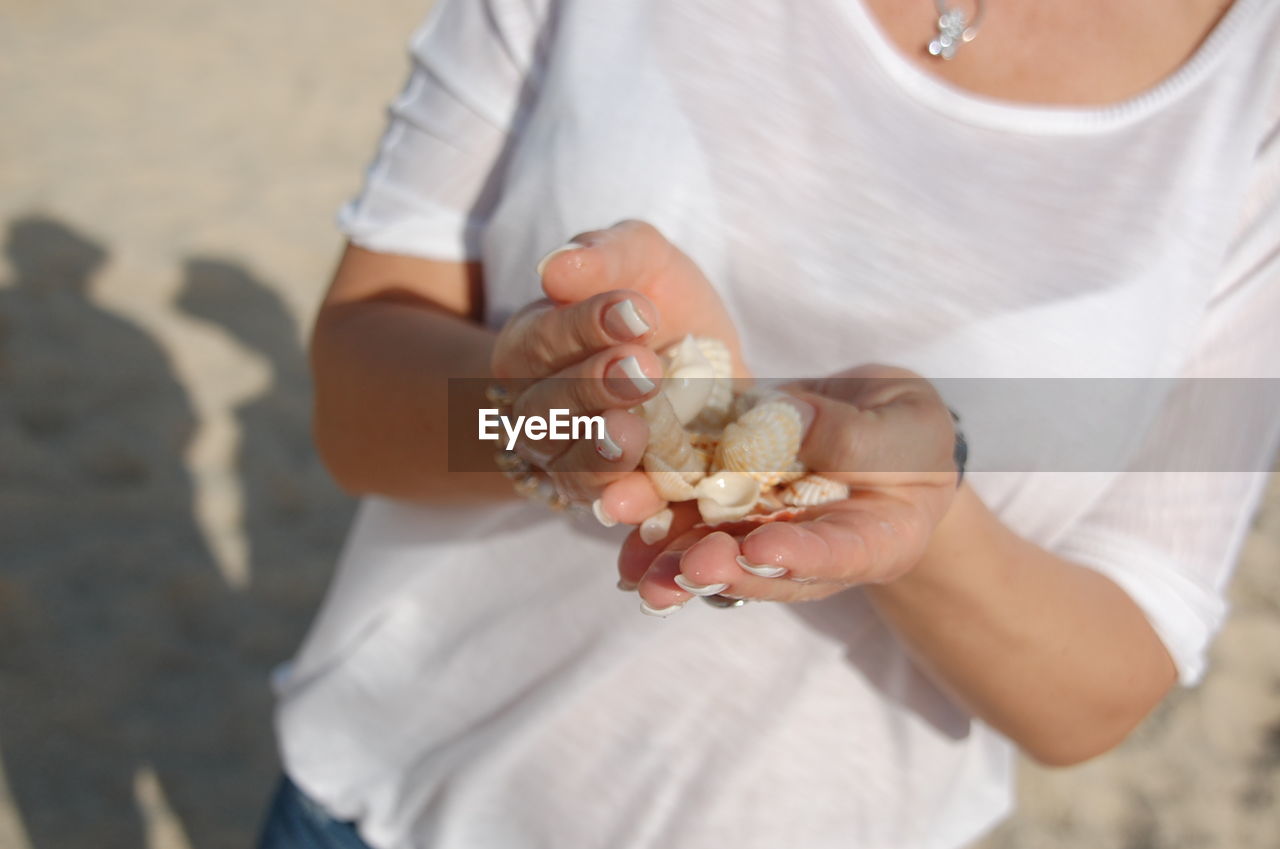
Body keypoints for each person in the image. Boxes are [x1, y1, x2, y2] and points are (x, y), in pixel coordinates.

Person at [260, 1, 1280, 847]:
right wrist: (540, 427)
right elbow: (354, 410)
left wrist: (925, 526)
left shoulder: (1254, 93)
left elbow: (1101, 686)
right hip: (395, 797)